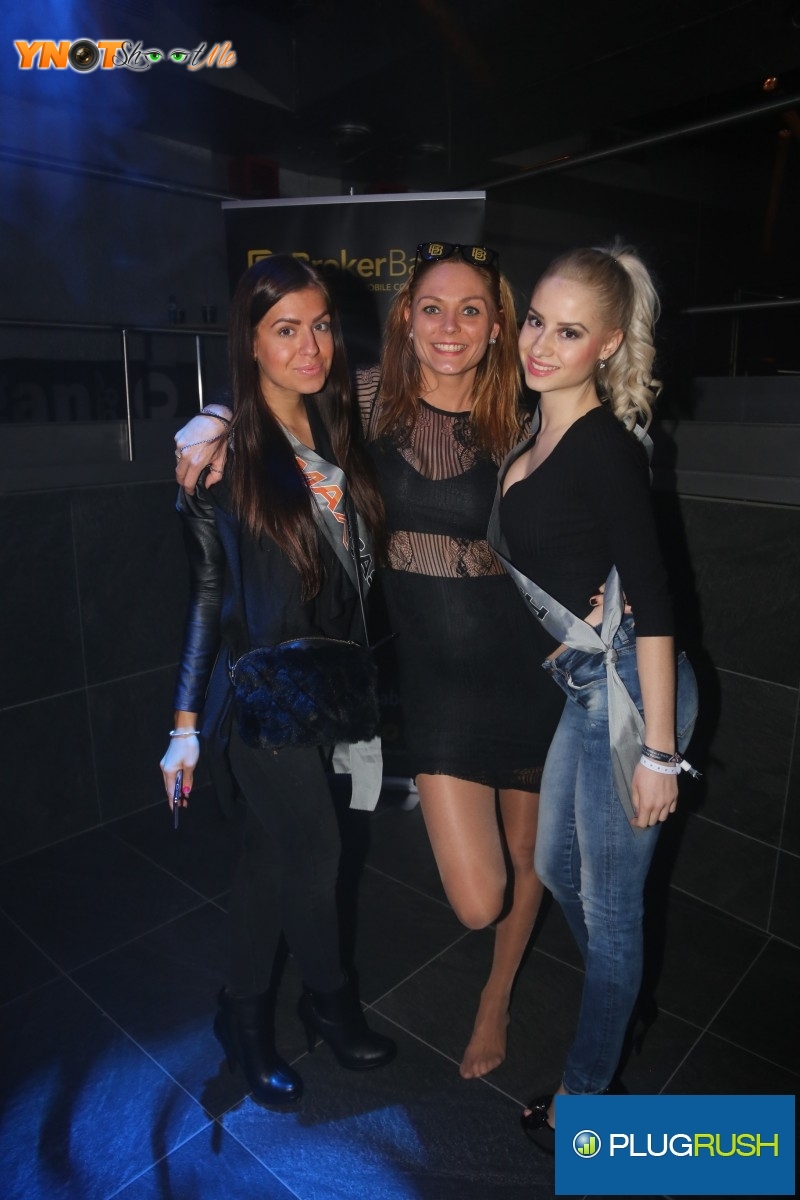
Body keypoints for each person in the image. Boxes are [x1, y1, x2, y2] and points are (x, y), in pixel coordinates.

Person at [174, 241, 567, 1080]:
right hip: (350, 690)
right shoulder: (345, 411)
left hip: (473, 673)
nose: (450, 327)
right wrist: (212, 415)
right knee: (381, 872)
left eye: (471, 310)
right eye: (432, 308)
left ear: (498, 325)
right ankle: (320, 1003)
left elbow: (588, 487)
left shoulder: (512, 416)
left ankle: (477, 1000)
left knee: (281, 858)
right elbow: (272, 385)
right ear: (406, 321)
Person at [160, 255, 395, 1110]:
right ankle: (328, 1002)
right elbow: (207, 597)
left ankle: (243, 1014)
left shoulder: (337, 425)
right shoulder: (221, 457)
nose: (310, 347)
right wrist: (185, 726)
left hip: (324, 686)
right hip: (257, 700)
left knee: (268, 860)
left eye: (321, 325)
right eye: (285, 329)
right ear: (250, 342)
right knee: (317, 851)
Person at [492, 244, 698, 1151]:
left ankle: (584, 1098)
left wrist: (660, 753)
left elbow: (656, 603)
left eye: (569, 333)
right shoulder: (532, 429)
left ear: (608, 345)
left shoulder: (604, 447)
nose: (541, 345)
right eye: (537, 320)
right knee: (552, 866)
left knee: (610, 910)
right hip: (585, 690)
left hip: (632, 697)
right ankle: (623, 991)